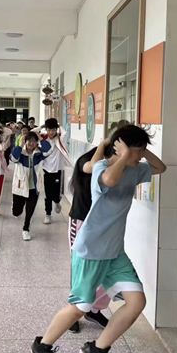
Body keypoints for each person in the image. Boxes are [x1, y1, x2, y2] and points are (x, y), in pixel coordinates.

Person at [31, 125, 167, 353]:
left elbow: (161, 168)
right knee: (79, 307)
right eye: (138, 150)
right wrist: (124, 154)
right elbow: (111, 181)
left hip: (115, 252)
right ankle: (42, 346)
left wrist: (140, 151)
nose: (140, 156)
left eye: (142, 150)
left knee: (136, 302)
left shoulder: (135, 169)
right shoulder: (102, 168)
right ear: (121, 148)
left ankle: (97, 349)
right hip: (91, 251)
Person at [66, 137, 112, 333]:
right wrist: (103, 144)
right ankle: (72, 312)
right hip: (81, 221)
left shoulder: (113, 164)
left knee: (104, 269)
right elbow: (93, 167)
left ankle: (93, 310)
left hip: (102, 224)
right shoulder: (85, 161)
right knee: (79, 268)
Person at [10, 131, 51, 241]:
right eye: (29, 141)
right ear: (25, 141)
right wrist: (20, 145)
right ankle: (16, 208)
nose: (31, 143)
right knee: (17, 212)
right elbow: (13, 158)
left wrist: (41, 138)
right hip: (20, 187)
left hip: (34, 187)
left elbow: (48, 150)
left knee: (30, 210)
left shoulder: (39, 153)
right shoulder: (20, 152)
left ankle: (26, 229)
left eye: (34, 141)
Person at [38, 118, 71, 224]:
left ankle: (57, 202)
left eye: (53, 130)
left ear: (56, 129)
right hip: (47, 170)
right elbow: (33, 132)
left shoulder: (60, 139)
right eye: (48, 130)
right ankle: (48, 214)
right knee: (48, 194)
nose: (51, 132)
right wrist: (42, 126)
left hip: (57, 170)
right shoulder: (43, 140)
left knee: (56, 193)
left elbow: (64, 131)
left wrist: (58, 124)